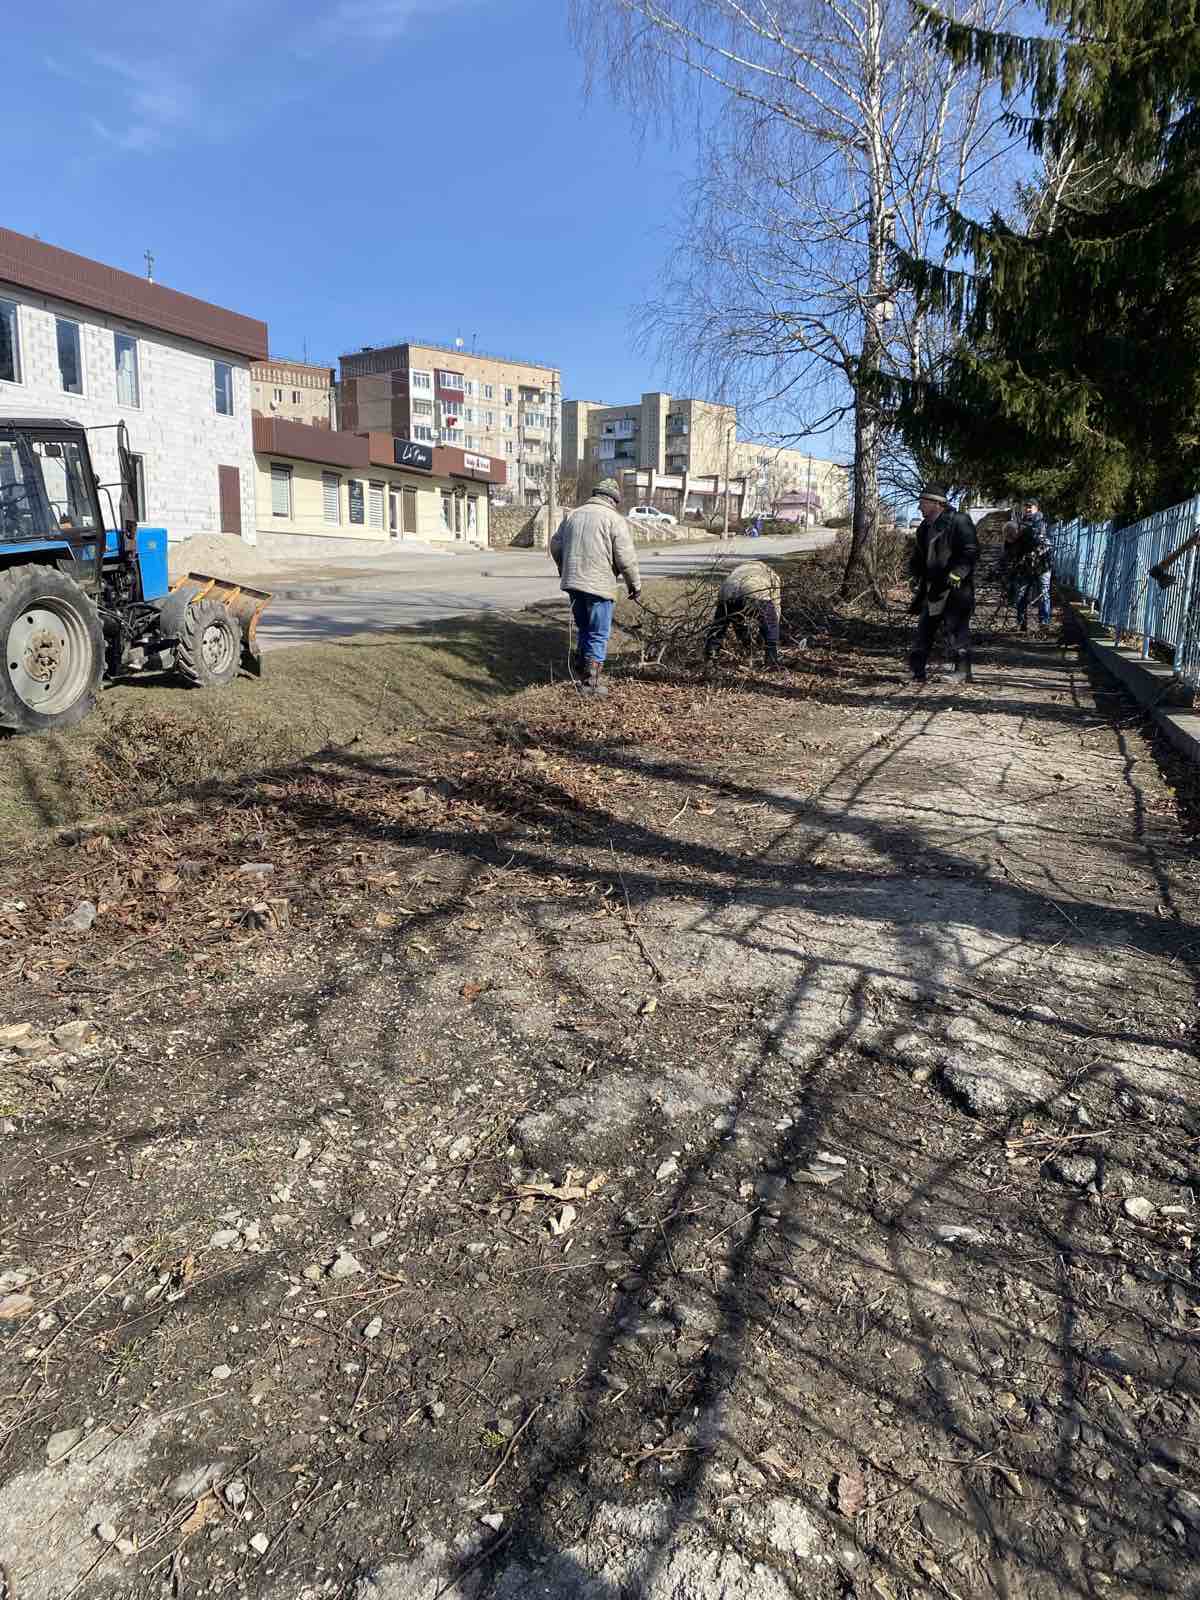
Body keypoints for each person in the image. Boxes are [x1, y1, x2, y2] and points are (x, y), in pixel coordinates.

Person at [550, 477, 642, 698]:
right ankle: (590, 685)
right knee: (598, 633)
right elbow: (626, 558)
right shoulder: (614, 519)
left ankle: (582, 673)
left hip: (573, 583)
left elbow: (555, 545)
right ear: (612, 499)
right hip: (599, 585)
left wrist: (564, 568)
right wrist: (634, 585)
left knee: (584, 628)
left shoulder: (572, 515)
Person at [908, 484, 979, 683]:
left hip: (955, 588)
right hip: (932, 587)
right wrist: (914, 576)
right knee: (924, 629)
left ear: (936, 504)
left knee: (956, 630)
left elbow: (971, 551)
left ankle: (963, 671)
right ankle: (917, 672)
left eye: (923, 503)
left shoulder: (959, 521)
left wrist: (957, 574)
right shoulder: (924, 528)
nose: (919, 507)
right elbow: (918, 557)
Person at [704, 560, 783, 670]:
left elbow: (736, 618)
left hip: (727, 590)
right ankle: (771, 661)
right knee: (771, 623)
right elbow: (775, 608)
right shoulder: (773, 576)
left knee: (720, 625)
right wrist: (766, 634)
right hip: (753, 590)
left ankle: (711, 656)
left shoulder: (739, 569)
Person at [1011, 506, 1053, 631]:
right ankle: (1021, 622)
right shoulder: (1021, 525)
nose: (1028, 509)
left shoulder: (1044, 524)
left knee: (1044, 593)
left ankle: (1044, 622)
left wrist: (1037, 552)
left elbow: (1048, 544)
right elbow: (1016, 546)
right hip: (1026, 566)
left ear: (1037, 508)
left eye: (1030, 507)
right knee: (1021, 594)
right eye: (1026, 507)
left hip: (1043, 566)